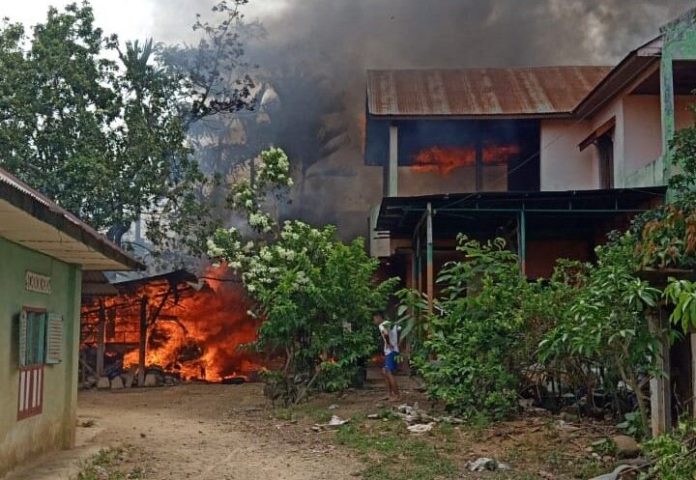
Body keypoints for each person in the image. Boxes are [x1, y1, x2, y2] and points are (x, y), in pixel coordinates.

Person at [374, 312, 400, 401]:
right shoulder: (392, 324)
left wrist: (389, 343)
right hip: (394, 350)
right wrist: (397, 343)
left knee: (389, 373)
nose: (374, 321)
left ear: (379, 317)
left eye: (374, 319)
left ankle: (396, 395)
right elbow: (400, 332)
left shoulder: (382, 325)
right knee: (384, 371)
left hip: (390, 351)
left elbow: (385, 333)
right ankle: (389, 394)